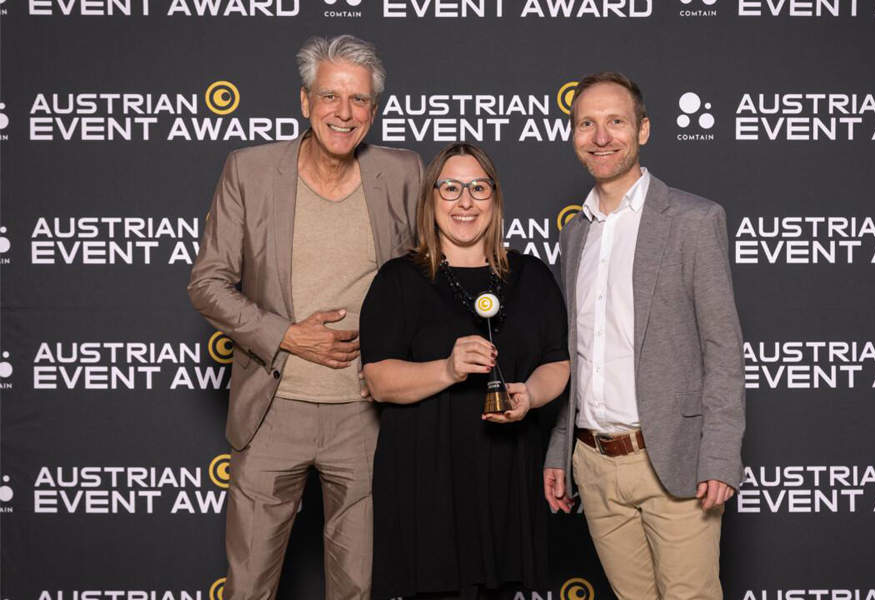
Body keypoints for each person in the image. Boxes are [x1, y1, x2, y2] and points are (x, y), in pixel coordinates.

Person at [187, 35, 422, 600]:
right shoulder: (249, 170)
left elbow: (427, 282)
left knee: (358, 587)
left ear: (374, 110)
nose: (344, 112)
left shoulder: (403, 172)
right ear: (304, 102)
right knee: (249, 586)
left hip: (366, 415)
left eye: (359, 100)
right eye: (329, 96)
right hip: (272, 409)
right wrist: (287, 336)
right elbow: (207, 283)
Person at [542, 72, 746, 600]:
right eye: (586, 123)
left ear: (644, 130)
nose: (600, 136)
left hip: (672, 460)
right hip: (594, 465)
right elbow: (575, 355)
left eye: (616, 121)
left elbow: (722, 348)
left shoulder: (693, 220)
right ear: (573, 134)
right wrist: (559, 451)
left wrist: (719, 456)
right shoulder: (574, 233)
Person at [360, 142, 570, 600]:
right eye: (451, 188)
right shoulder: (398, 279)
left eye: (478, 187)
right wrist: (447, 369)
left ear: (494, 197)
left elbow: (557, 361)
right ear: (430, 198)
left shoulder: (531, 276)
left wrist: (531, 395)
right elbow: (378, 379)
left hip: (506, 477)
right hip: (427, 482)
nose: (465, 201)